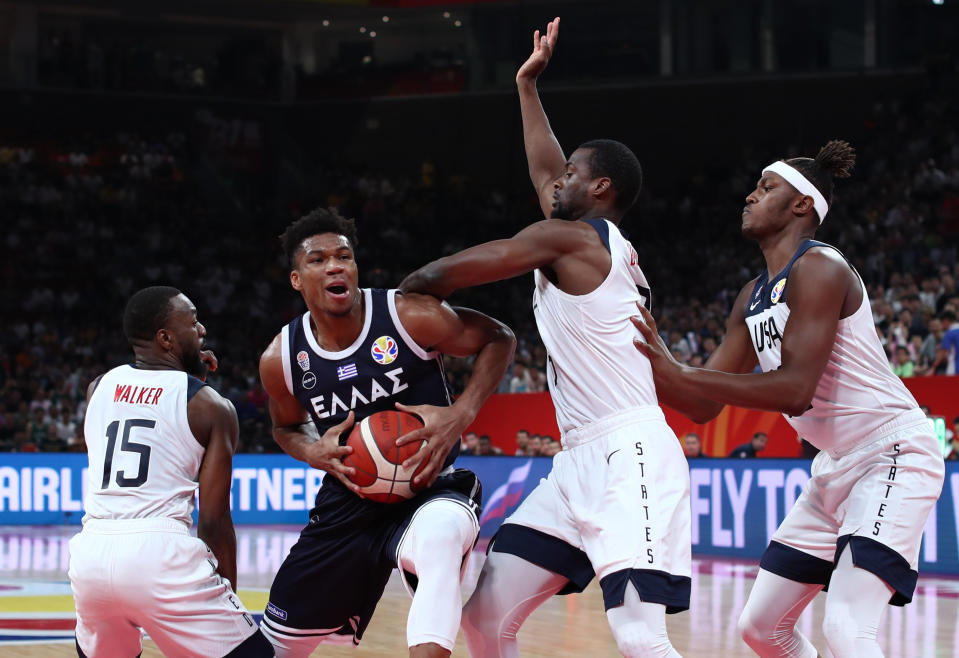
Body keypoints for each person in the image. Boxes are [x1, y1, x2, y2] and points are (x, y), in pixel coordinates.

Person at [401, 18, 690, 657]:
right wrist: (527, 87)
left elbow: (490, 258)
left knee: (639, 635)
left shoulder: (577, 239)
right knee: (483, 619)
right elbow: (543, 170)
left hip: (631, 453)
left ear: (600, 189)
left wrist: (408, 294)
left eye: (572, 174)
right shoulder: (576, 235)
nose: (556, 180)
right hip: (577, 463)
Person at [632, 140, 945, 657]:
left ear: (802, 204)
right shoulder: (752, 294)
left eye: (766, 187)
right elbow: (703, 404)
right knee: (761, 628)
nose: (750, 196)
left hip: (892, 455)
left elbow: (795, 391)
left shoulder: (820, 267)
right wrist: (642, 355)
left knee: (847, 626)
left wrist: (678, 368)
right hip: (834, 468)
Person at [257, 208, 515, 658]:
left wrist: (462, 412)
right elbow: (285, 427)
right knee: (273, 648)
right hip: (347, 501)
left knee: (440, 536)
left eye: (344, 256)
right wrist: (311, 450)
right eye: (318, 260)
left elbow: (499, 338)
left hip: (429, 483)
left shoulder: (406, 315)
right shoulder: (281, 357)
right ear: (298, 280)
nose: (335, 266)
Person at [68, 286, 273, 658]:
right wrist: (227, 602)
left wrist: (191, 377)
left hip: (90, 555)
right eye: (193, 321)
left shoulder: (96, 388)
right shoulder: (212, 408)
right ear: (165, 338)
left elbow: (150, 407)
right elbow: (214, 520)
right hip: (160, 555)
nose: (202, 330)